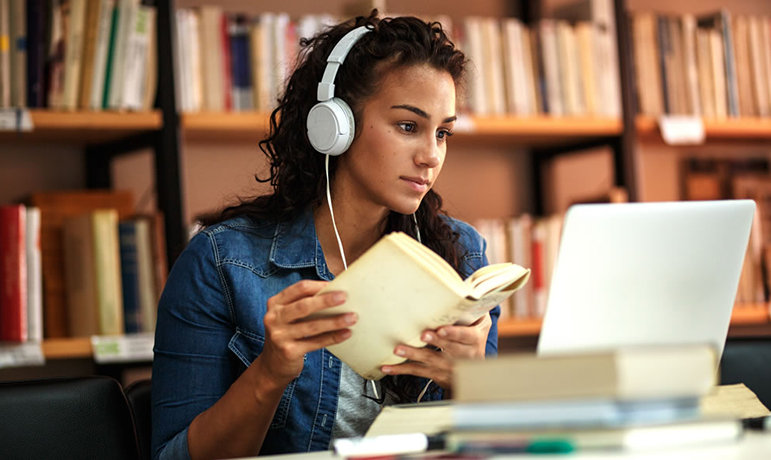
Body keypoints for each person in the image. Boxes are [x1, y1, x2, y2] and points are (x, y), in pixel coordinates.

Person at [152, 11, 500, 460]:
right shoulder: (221, 263)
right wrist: (270, 373)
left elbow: (487, 448)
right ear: (335, 126)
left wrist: (473, 383)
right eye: (408, 127)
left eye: (443, 132)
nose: (431, 156)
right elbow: (174, 456)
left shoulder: (462, 254)